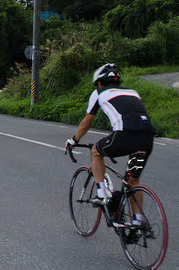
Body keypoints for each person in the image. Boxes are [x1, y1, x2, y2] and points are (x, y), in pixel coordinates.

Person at [65, 64, 155, 223]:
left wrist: (73, 140)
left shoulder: (98, 93)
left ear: (99, 83)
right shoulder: (133, 92)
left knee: (96, 151)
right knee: (133, 180)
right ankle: (137, 222)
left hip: (124, 136)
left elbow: (86, 123)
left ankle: (101, 194)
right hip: (146, 138)